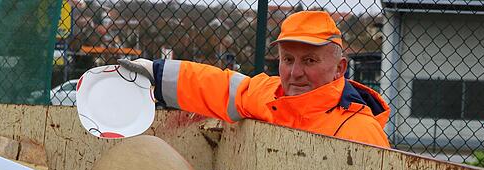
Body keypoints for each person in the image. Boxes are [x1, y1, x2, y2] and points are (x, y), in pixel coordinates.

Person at [119, 11, 391, 148]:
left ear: (340, 68)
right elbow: (216, 87)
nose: (295, 73)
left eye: (309, 60)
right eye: (288, 60)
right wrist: (155, 73)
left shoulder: (360, 132)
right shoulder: (269, 95)